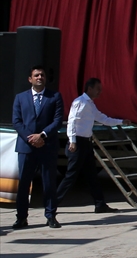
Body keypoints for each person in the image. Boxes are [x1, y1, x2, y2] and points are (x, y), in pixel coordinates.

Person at [59, 77, 124, 216]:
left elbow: (103, 119)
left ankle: (100, 204)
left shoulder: (90, 104)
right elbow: (72, 122)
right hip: (78, 143)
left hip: (87, 143)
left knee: (92, 175)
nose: (100, 92)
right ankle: (52, 203)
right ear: (89, 89)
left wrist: (121, 121)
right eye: (98, 89)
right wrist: (72, 140)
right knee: (71, 176)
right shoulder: (80, 102)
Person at [11, 66, 65, 229]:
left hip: (47, 146)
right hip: (26, 147)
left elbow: (57, 121)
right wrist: (31, 138)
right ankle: (21, 217)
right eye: (36, 75)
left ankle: (51, 216)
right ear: (30, 79)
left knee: (49, 183)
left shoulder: (54, 97)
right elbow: (17, 121)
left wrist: (41, 135)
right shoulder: (20, 98)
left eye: (42, 75)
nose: (39, 77)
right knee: (24, 184)